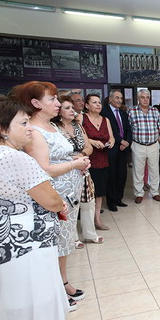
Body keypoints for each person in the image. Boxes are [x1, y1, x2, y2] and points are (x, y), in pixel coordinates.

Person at [0, 96, 69, 320]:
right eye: (23, 123)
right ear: (2, 129)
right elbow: (50, 199)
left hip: (0, 242)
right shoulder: (15, 158)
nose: (29, 128)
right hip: (27, 242)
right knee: (33, 298)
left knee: (11, 298)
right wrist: (59, 203)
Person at [15, 81, 91, 312]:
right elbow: (44, 169)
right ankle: (54, 291)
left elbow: (62, 156)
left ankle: (63, 282)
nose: (58, 103)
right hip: (53, 196)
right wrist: (74, 164)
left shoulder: (52, 126)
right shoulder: (34, 131)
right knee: (53, 244)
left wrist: (77, 162)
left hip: (69, 195)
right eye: (52, 99)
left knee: (64, 242)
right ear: (36, 103)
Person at [54, 96, 101, 246]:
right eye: (67, 108)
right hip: (65, 171)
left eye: (72, 108)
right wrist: (73, 161)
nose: (72, 111)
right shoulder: (54, 128)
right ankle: (72, 237)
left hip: (83, 168)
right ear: (59, 111)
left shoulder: (78, 126)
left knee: (88, 203)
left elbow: (89, 147)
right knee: (70, 205)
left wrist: (81, 155)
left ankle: (90, 234)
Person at [82, 94, 114, 232]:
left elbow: (111, 137)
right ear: (87, 105)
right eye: (94, 102)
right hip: (87, 160)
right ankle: (86, 222)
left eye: (99, 102)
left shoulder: (105, 120)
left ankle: (97, 220)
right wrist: (91, 141)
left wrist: (111, 142)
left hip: (102, 159)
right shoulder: (81, 118)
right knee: (86, 192)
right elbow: (77, 136)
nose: (98, 105)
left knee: (99, 191)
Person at [128, 89, 160, 203]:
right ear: (138, 98)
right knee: (138, 171)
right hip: (138, 145)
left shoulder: (155, 111)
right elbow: (128, 128)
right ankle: (139, 193)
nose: (145, 100)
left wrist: (153, 135)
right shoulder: (132, 111)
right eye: (143, 97)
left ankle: (155, 192)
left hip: (153, 145)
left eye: (147, 97)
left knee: (154, 170)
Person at [101, 90, 132, 211]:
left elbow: (128, 129)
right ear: (110, 99)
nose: (119, 100)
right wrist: (121, 141)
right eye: (117, 98)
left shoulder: (123, 113)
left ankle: (119, 199)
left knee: (122, 175)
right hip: (112, 149)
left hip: (123, 149)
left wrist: (127, 142)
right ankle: (111, 202)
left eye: (121, 98)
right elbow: (108, 131)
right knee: (112, 176)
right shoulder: (104, 112)